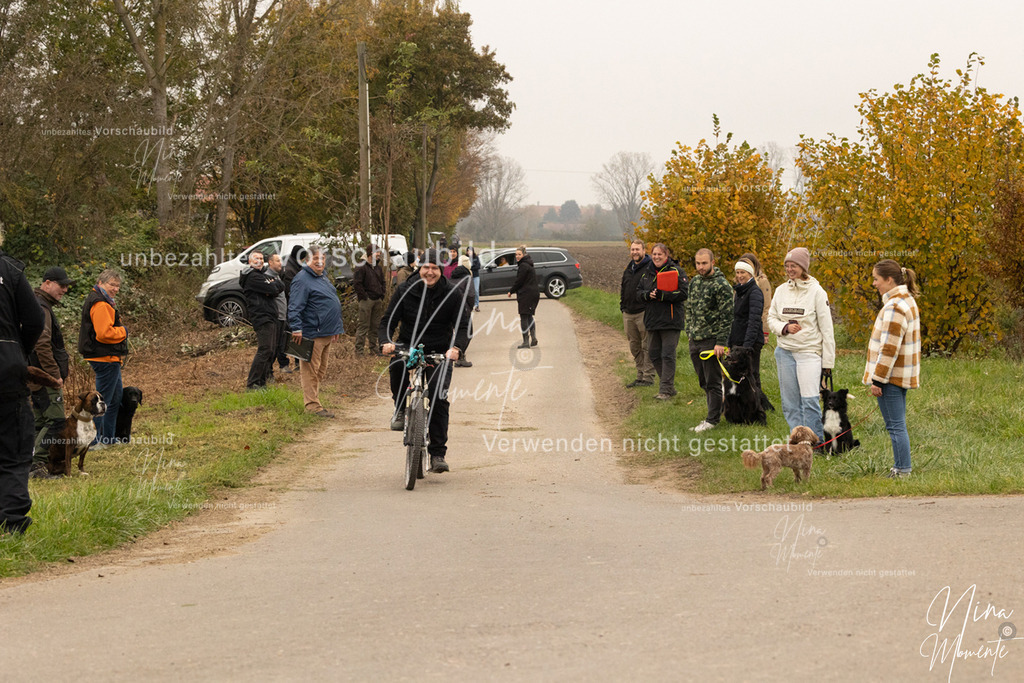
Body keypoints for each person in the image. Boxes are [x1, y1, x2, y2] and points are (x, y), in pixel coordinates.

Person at [379, 249, 470, 474]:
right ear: (419, 268)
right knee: (397, 364)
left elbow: (464, 326)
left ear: (441, 271)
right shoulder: (405, 289)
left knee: (439, 397)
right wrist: (386, 342)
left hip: (440, 349)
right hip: (409, 345)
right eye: (426, 267)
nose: (429, 272)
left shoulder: (452, 294)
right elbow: (388, 320)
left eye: (435, 268)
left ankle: (438, 453)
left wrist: (456, 348)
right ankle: (400, 408)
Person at [0, 237, 45, 534]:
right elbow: (34, 318)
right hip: (6, 371)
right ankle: (12, 524)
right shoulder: (10, 270)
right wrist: (17, 351)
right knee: (15, 452)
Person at [767, 247, 835, 440]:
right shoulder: (781, 291)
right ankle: (798, 440)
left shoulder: (817, 292)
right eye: (787, 266)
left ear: (803, 268)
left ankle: (817, 441)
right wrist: (784, 328)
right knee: (790, 403)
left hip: (808, 353)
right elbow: (771, 318)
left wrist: (828, 363)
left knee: (809, 400)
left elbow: (827, 329)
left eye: (794, 266)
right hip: (785, 352)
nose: (789, 269)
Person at [863, 259, 921, 478]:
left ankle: (902, 469)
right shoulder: (906, 300)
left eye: (876, 279)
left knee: (896, 426)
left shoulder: (895, 306)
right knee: (897, 425)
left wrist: (877, 379)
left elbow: (889, 348)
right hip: (899, 375)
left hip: (890, 378)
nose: (874, 284)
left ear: (888, 280)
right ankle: (900, 467)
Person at [28, 267, 73, 477]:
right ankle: (35, 464)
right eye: (60, 285)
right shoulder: (42, 307)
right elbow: (42, 343)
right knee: (55, 421)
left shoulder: (36, 303)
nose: (64, 289)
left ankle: (32, 464)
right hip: (45, 378)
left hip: (34, 375)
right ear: (46, 283)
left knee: (40, 421)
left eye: (66, 286)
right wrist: (54, 375)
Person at [288, 245, 343, 417]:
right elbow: (295, 306)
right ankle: (312, 406)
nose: (319, 262)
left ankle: (314, 399)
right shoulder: (302, 279)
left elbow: (332, 302)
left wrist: (336, 327)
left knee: (320, 371)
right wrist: (296, 328)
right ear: (306, 260)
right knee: (310, 371)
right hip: (312, 333)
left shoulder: (322, 278)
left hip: (327, 332)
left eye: (322, 259)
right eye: (315, 259)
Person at [78, 269, 128, 447]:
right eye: (112, 284)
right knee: (101, 402)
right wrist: (123, 331)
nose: (115, 288)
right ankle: (93, 441)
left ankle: (108, 439)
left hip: (110, 357)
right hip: (103, 357)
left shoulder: (104, 300)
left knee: (114, 399)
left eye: (117, 285)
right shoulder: (100, 303)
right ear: (101, 283)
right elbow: (103, 334)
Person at [685, 248, 733, 430]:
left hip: (711, 340)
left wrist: (721, 342)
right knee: (703, 380)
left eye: (704, 263)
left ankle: (712, 420)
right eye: (698, 263)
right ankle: (717, 409)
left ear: (713, 262)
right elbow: (689, 308)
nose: (700, 267)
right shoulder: (695, 282)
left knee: (713, 381)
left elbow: (727, 316)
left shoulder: (722, 285)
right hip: (695, 339)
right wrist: (688, 330)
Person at [635, 243, 687, 399]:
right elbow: (638, 292)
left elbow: (684, 293)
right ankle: (668, 386)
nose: (657, 257)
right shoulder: (647, 273)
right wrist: (647, 295)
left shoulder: (676, 271)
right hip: (652, 320)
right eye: (654, 254)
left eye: (660, 254)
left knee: (668, 354)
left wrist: (663, 295)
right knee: (654, 353)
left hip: (671, 320)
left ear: (667, 255)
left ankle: (665, 390)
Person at [240, 251, 285, 390]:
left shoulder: (262, 275)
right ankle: (253, 383)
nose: (259, 261)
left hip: (270, 316)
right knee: (265, 349)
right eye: (256, 259)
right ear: (250, 261)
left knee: (271, 350)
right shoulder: (252, 277)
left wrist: (273, 286)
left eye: (261, 258)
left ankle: (261, 382)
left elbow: (280, 286)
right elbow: (273, 287)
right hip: (261, 316)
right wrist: (271, 287)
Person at [739, 252, 775, 411]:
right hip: (743, 331)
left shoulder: (762, 282)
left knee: (753, 371)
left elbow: (766, 308)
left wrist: (765, 331)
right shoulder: (740, 285)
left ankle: (761, 404)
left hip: (756, 329)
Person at [620, 239, 656, 388]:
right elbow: (623, 288)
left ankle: (648, 377)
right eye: (633, 249)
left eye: (637, 250)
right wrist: (622, 306)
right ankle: (639, 374)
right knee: (634, 346)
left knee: (646, 345)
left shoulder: (650, 268)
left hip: (643, 312)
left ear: (643, 251)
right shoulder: (629, 268)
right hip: (628, 313)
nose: (634, 252)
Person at [728, 259, 766, 400]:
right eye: (737, 272)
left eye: (742, 272)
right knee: (738, 374)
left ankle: (758, 403)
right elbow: (735, 319)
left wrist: (747, 346)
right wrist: (729, 342)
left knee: (752, 373)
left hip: (751, 342)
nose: (740, 275)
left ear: (750, 273)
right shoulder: (739, 291)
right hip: (738, 341)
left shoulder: (755, 292)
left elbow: (754, 320)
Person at [353, 245, 386, 355]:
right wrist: (364, 297)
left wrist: (382, 294)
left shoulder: (378, 267)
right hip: (366, 301)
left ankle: (373, 349)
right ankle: (359, 351)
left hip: (377, 300)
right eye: (377, 252)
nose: (379, 254)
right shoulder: (361, 266)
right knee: (363, 326)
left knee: (375, 326)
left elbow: (383, 281)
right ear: (370, 253)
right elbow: (357, 283)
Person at [508, 245, 539, 349]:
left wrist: (511, 291)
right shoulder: (527, 263)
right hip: (532, 293)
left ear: (524, 254)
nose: (517, 256)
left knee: (524, 317)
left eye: (519, 254)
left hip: (527, 294)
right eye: (516, 254)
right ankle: (533, 338)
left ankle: (526, 341)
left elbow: (519, 281)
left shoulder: (524, 266)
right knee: (529, 315)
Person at [266, 253, 291, 376]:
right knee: (272, 346)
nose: (280, 263)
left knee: (281, 344)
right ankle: (268, 371)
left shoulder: (277, 276)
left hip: (282, 316)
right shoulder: (267, 277)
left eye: (280, 260)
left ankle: (283, 365)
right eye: (277, 261)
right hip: (275, 317)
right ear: (270, 262)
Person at [449, 255, 475, 368]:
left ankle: (456, 355)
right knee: (467, 332)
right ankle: (460, 356)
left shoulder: (451, 279)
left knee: (453, 332)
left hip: (451, 309)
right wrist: (470, 307)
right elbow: (471, 295)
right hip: (463, 309)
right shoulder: (468, 279)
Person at [466, 246, 482, 312]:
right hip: (468, 277)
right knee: (468, 291)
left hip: (475, 276)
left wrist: (471, 267)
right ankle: (468, 305)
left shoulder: (476, 258)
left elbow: (478, 266)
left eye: (471, 250)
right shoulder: (465, 258)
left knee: (476, 290)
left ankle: (477, 305)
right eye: (468, 251)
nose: (470, 252)